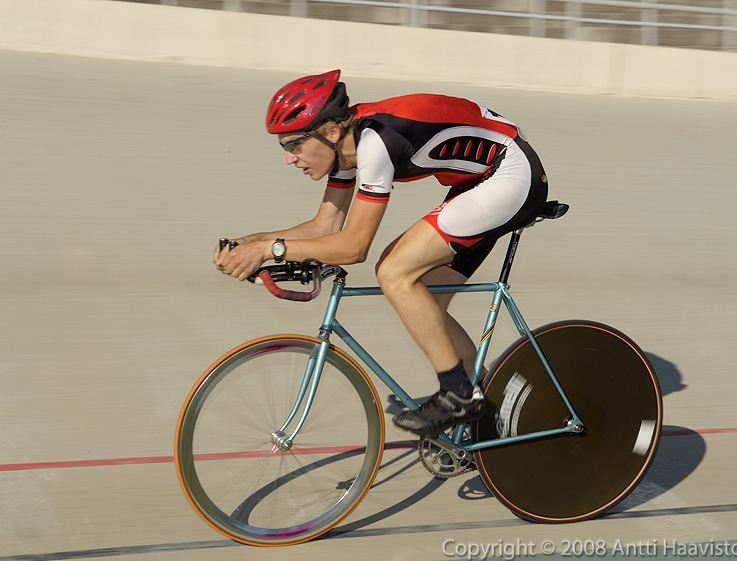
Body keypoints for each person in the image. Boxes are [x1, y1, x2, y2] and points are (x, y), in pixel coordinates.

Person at [213, 69, 548, 436]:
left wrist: (271, 250)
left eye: (293, 145)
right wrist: (253, 243)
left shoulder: (375, 141)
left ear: (329, 132)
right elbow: (325, 227)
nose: (290, 158)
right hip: (479, 182)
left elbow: (355, 246)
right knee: (424, 302)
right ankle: (487, 414)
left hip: (511, 176)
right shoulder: (345, 149)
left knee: (394, 270)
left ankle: (459, 395)